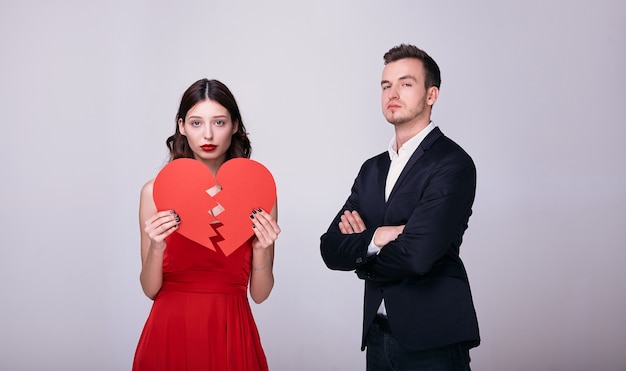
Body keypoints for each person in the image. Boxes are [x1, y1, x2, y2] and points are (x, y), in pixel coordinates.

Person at [320, 44, 480, 370]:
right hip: (378, 335)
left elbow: (416, 256)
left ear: (431, 95)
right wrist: (377, 238)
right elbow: (329, 247)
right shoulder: (372, 169)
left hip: (433, 338)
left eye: (406, 84)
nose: (393, 93)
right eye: (386, 85)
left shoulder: (452, 163)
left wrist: (361, 255)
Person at [133, 78, 280, 371]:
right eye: (197, 123)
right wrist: (157, 247)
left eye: (219, 122)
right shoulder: (154, 192)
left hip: (231, 330)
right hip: (169, 331)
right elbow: (150, 289)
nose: (208, 134)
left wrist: (263, 249)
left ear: (235, 125)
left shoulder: (259, 193)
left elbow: (260, 294)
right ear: (182, 126)